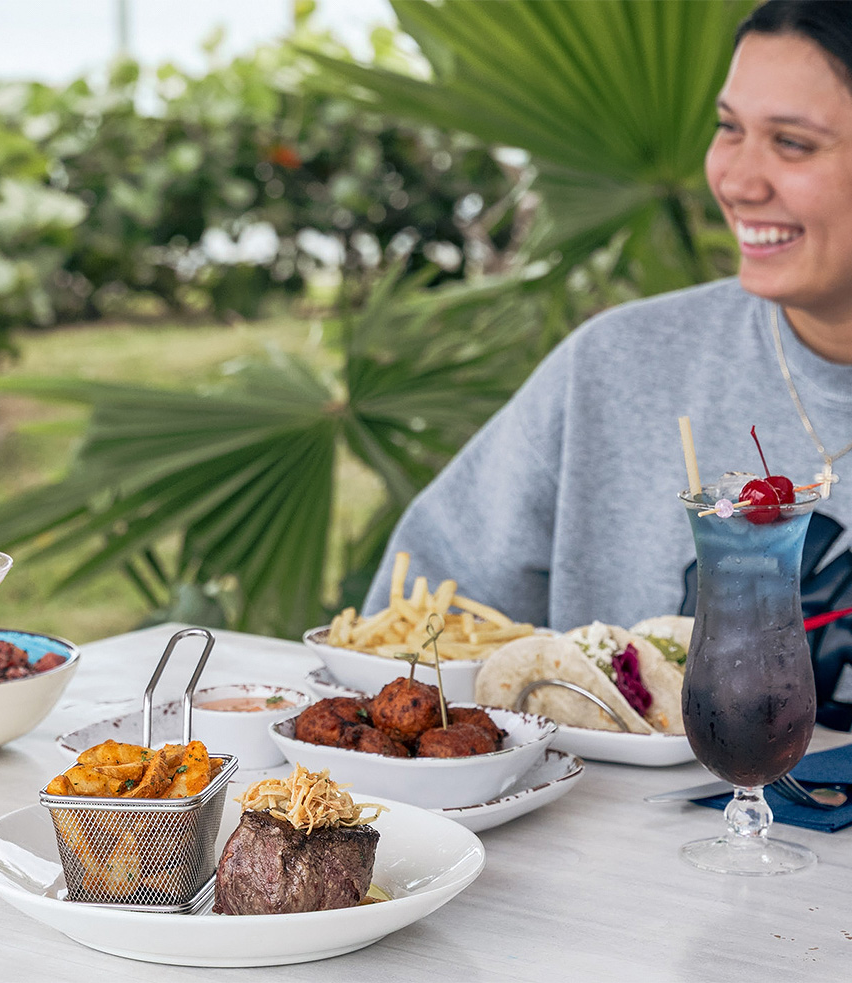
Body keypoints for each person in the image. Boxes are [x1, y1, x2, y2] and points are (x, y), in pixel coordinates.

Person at [364, 0, 852, 714]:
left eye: (792, 143)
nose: (739, 181)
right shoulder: (618, 364)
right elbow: (418, 627)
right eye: (728, 129)